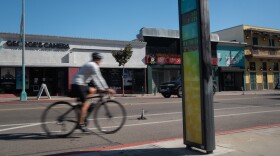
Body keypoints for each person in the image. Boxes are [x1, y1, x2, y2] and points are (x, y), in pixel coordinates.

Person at [71, 52, 116, 132]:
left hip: (79, 84)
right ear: (97, 59)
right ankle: (80, 124)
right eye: (100, 60)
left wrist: (100, 88)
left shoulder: (90, 65)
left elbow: (95, 79)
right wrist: (106, 88)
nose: (100, 62)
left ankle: (81, 108)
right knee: (86, 103)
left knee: (93, 90)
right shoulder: (93, 65)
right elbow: (99, 78)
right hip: (78, 84)